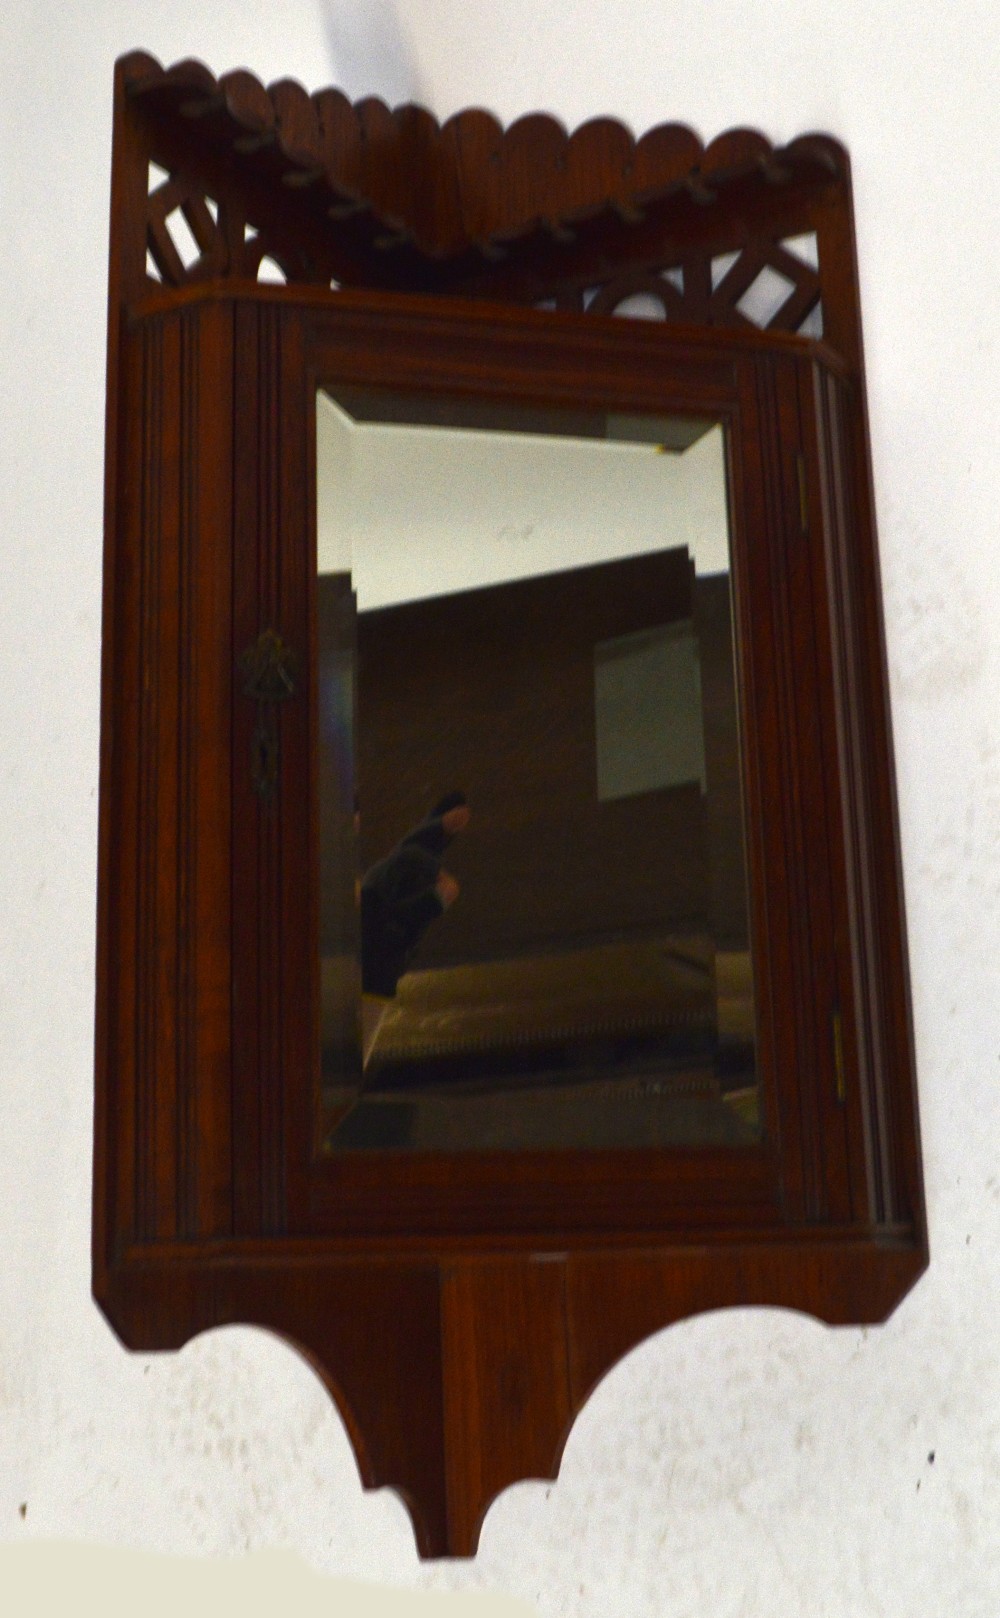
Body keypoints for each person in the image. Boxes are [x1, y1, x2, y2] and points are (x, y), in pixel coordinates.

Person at [359, 792, 470, 1064]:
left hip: (373, 964)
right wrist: (437, 900)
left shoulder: (403, 863)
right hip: (373, 969)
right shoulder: (412, 863)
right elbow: (398, 918)